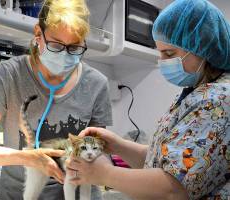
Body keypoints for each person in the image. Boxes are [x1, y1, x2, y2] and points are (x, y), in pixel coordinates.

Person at [66, 0, 230, 199]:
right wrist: (118, 145)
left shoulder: (218, 100)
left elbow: (173, 188)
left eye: (169, 53)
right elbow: (169, 163)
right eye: (159, 52)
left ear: (203, 47)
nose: (161, 61)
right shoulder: (195, 93)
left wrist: (104, 174)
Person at [0, 0, 112, 199]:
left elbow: (100, 149)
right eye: (56, 44)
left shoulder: (96, 84)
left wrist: (107, 172)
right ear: (38, 34)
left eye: (74, 47)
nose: (65, 54)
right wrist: (28, 158)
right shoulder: (9, 75)